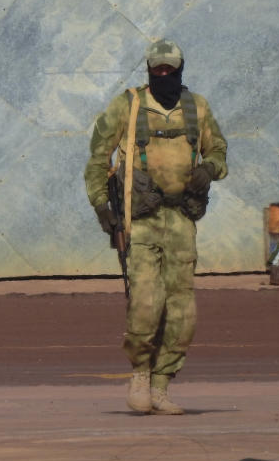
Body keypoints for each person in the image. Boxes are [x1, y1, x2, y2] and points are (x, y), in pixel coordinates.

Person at [84, 39, 228, 415]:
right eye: (157, 69)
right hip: (141, 222)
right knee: (146, 304)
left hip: (181, 220)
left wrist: (208, 169)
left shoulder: (197, 107)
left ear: (180, 68)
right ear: (149, 69)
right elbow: (98, 158)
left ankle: (163, 384)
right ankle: (141, 374)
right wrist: (102, 206)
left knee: (182, 312)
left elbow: (219, 151)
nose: (163, 74)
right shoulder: (127, 106)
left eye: (170, 68)